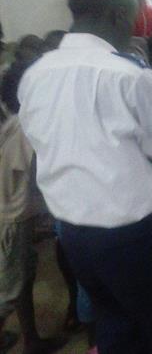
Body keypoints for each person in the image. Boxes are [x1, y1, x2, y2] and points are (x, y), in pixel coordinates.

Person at [17, 0, 152, 353]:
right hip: (130, 237)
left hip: (74, 236)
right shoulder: (127, 75)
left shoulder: (36, 75)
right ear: (119, 15)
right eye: (135, 16)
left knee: (117, 325)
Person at [0, 61, 66, 354]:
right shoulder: (27, 129)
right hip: (12, 217)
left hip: (13, 212)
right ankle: (30, 342)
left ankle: (30, 340)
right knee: (11, 287)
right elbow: (41, 176)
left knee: (21, 278)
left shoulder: (14, 122)